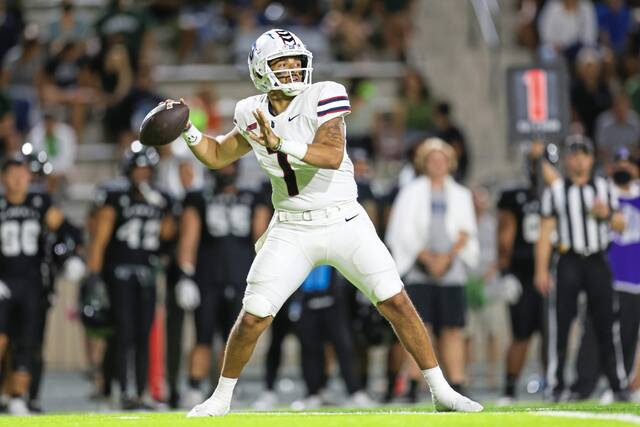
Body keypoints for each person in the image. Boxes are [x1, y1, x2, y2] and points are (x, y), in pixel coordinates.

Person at [169, 28, 482, 416]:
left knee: (396, 301)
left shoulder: (325, 94)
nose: (292, 71)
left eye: (296, 62)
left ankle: (442, 390)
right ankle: (220, 398)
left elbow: (332, 154)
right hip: (291, 226)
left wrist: (280, 143)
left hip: (343, 219)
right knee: (253, 317)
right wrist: (187, 130)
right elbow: (217, 154)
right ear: (260, 70)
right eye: (281, 64)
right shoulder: (249, 111)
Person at [536, 135, 629, 401]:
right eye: (574, 154)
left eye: (583, 154)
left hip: (597, 260)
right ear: (567, 159)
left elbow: (621, 225)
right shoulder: (556, 191)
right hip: (569, 259)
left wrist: (607, 215)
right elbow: (545, 233)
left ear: (591, 159)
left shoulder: (604, 188)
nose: (578, 159)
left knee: (606, 323)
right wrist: (541, 270)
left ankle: (617, 382)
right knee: (561, 323)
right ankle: (556, 384)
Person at [386, 138, 478, 399]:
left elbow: (466, 231)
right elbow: (401, 231)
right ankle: (414, 382)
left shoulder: (460, 194)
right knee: (419, 327)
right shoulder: (411, 192)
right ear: (424, 163)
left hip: (451, 270)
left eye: (442, 159)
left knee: (452, 328)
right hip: (418, 267)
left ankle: (457, 382)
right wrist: (426, 257)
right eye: (432, 160)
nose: (438, 164)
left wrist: (447, 258)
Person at [85, 141, 175, 409]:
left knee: (143, 333)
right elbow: (100, 238)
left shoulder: (160, 197)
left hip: (146, 271)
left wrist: (170, 212)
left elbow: (167, 236)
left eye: (146, 169)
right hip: (119, 270)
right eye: (138, 169)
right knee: (123, 331)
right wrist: (93, 275)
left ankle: (142, 391)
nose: (142, 174)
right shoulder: (115, 195)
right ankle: (123, 390)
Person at [176, 162, 270, 407]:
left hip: (241, 278)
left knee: (234, 339)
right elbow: (189, 236)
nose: (226, 172)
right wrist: (186, 275)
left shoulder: (252, 197)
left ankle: (226, 390)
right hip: (208, 279)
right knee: (203, 336)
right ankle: (195, 386)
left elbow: (262, 237)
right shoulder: (199, 198)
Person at [0, 154, 74, 415]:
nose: (19, 179)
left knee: (27, 343)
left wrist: (67, 256)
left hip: (32, 283)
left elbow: (68, 232)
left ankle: (19, 396)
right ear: (3, 177)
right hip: (4, 281)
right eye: (13, 174)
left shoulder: (40, 202)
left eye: (23, 174)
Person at [570, 147, 640, 400]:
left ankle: (619, 386)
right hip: (604, 277)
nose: (623, 168)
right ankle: (582, 387)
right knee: (593, 332)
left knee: (628, 335)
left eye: (629, 163)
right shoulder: (598, 192)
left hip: (634, 279)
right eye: (618, 162)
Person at [496, 142, 549, 403]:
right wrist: (505, 272)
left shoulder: (560, 192)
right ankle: (509, 388)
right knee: (521, 334)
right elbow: (505, 236)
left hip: (554, 273)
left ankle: (552, 383)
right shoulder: (516, 195)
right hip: (524, 272)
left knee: (551, 335)